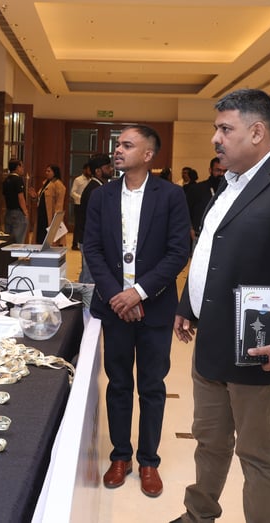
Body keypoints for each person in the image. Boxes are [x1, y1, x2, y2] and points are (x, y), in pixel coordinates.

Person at [171, 89, 270, 523]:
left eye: (225, 129)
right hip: (211, 343)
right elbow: (210, 250)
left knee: (257, 453)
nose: (215, 139)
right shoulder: (230, 183)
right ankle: (199, 513)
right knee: (209, 440)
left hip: (259, 349)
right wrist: (189, 303)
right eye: (216, 129)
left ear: (257, 132)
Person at [84, 125, 191, 498]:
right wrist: (118, 296)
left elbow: (178, 252)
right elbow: (92, 249)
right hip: (114, 307)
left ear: (148, 155)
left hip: (155, 307)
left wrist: (139, 293)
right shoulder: (102, 196)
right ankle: (120, 456)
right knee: (118, 384)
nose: (118, 150)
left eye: (127, 145)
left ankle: (148, 461)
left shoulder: (171, 196)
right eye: (118, 144)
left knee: (152, 386)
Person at [77, 154, 113, 284]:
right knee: (90, 277)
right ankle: (86, 298)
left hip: (89, 237)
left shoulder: (97, 186)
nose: (111, 169)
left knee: (87, 274)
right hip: (90, 239)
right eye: (107, 167)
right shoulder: (95, 189)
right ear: (98, 171)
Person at [185, 157, 227, 239]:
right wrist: (190, 229)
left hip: (222, 237)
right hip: (199, 236)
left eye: (225, 171)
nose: (222, 174)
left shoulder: (230, 190)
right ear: (210, 170)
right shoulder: (197, 189)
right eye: (218, 170)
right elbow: (185, 212)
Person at [28, 164, 66, 245]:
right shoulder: (46, 183)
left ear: (54, 172)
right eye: (46, 171)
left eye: (49, 171)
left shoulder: (58, 184)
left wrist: (56, 218)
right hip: (42, 214)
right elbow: (40, 198)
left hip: (50, 216)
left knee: (50, 239)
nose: (46, 173)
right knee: (40, 236)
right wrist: (34, 197)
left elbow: (59, 203)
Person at [2, 158, 29, 243]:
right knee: (18, 241)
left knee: (8, 240)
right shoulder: (18, 180)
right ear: (17, 167)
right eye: (22, 167)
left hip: (8, 212)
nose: (23, 169)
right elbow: (20, 197)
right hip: (18, 213)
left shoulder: (6, 180)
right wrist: (25, 212)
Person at [69, 162, 91, 250]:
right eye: (88, 169)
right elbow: (72, 192)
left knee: (86, 224)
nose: (90, 171)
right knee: (78, 225)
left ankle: (85, 242)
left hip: (88, 205)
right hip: (79, 205)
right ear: (84, 170)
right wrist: (81, 198)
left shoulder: (91, 180)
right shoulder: (78, 180)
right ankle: (74, 244)